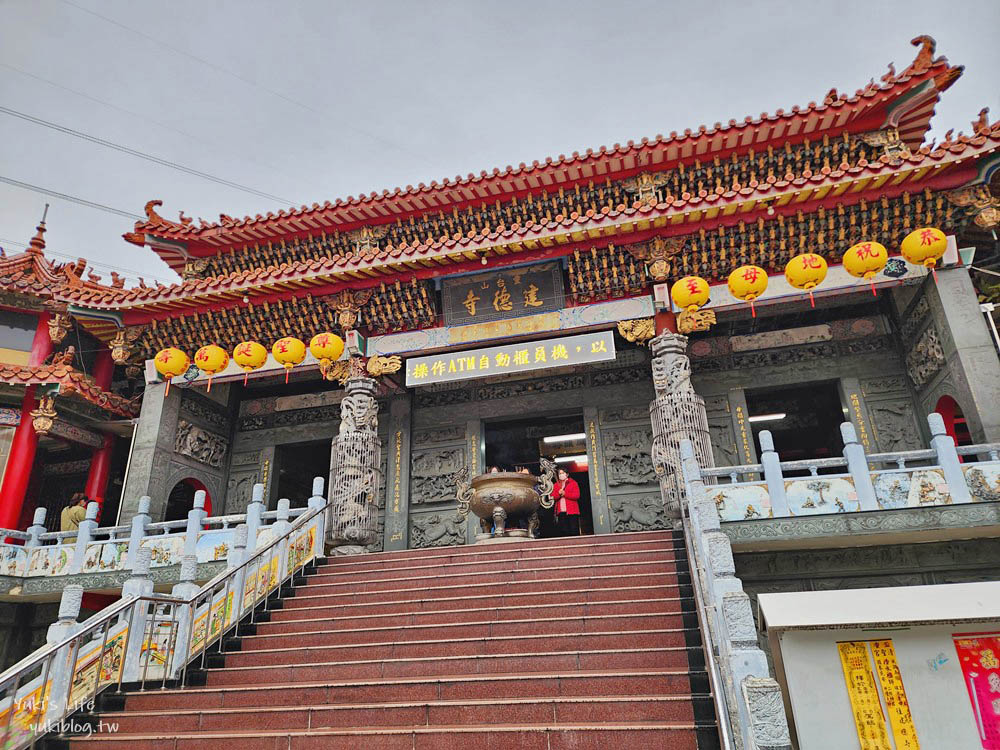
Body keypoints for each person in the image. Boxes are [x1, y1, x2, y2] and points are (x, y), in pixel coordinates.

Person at [552, 469, 581, 537]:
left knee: (574, 530)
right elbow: (553, 497)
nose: (561, 475)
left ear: (567, 474)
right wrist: (559, 494)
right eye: (559, 473)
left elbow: (576, 496)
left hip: (572, 511)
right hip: (561, 512)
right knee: (564, 531)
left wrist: (565, 494)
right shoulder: (556, 485)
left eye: (563, 473)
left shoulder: (573, 483)